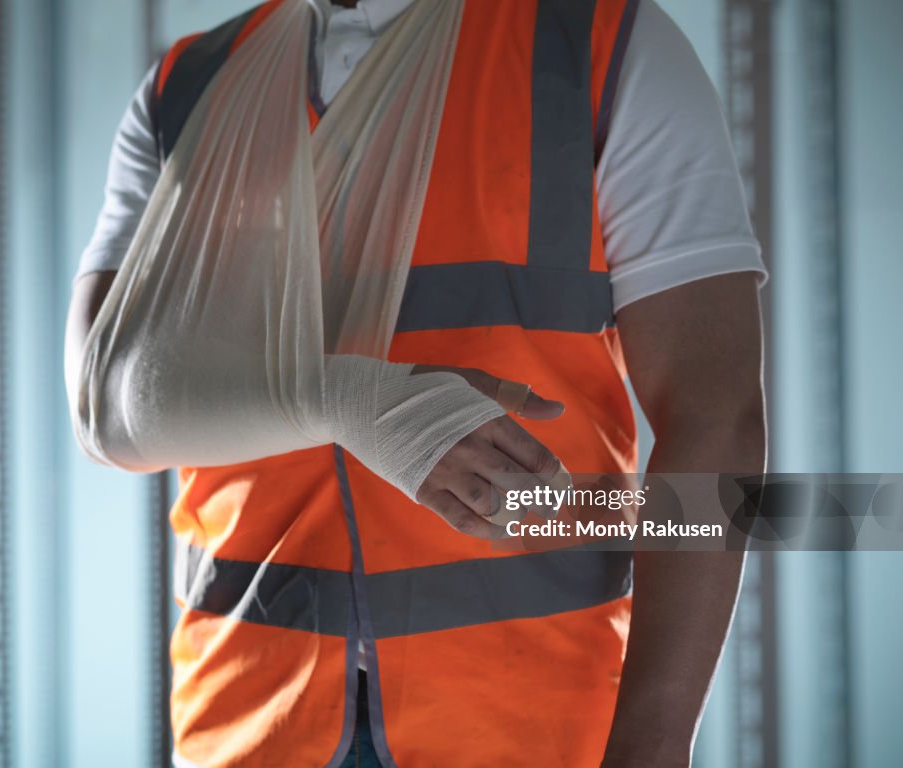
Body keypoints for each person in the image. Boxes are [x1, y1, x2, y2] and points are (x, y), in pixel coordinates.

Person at [65, 0, 768, 765]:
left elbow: (714, 414)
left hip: (527, 719)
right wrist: (352, 400)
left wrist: (652, 744)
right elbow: (104, 402)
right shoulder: (186, 88)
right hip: (251, 716)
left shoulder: (600, 46)